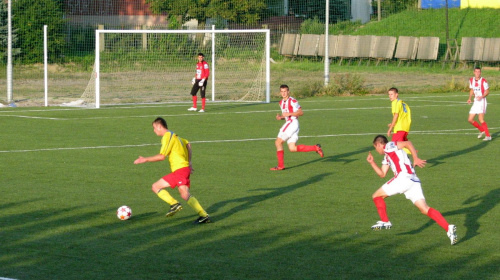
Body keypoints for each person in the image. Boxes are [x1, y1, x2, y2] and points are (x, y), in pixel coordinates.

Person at [366, 135, 457, 245]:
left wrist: (416, 158)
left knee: (376, 196)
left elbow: (407, 143)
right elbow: (382, 174)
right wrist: (372, 163)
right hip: (413, 181)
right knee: (424, 209)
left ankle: (385, 221)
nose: (376, 150)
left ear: (379, 144)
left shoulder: (389, 146)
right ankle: (448, 228)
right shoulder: (387, 156)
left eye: (375, 147)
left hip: (403, 178)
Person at [134, 117, 211, 224]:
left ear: (160, 126)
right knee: (156, 186)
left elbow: (162, 156)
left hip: (180, 169)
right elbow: (188, 144)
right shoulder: (175, 136)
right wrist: (189, 162)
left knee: (183, 193)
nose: (154, 130)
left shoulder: (167, 136)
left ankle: (202, 214)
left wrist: (145, 159)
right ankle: (176, 205)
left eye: (154, 128)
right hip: (181, 169)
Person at [270, 84, 324, 171]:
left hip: (292, 123)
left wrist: (289, 114)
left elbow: (300, 112)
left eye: (285, 91)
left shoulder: (292, 101)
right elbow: (286, 114)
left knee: (278, 142)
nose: (283, 93)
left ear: (288, 91)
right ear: (280, 92)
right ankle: (316, 148)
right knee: (292, 148)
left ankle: (280, 166)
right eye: (282, 91)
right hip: (291, 123)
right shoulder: (281, 103)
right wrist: (281, 117)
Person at [467, 67, 491, 141]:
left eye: (479, 72)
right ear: (474, 72)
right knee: (470, 119)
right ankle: (482, 130)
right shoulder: (471, 80)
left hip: (482, 102)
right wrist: (469, 98)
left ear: (480, 73)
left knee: (480, 119)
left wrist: (482, 96)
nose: (477, 73)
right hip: (475, 102)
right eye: (476, 72)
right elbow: (472, 90)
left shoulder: (483, 81)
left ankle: (488, 136)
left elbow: (487, 91)